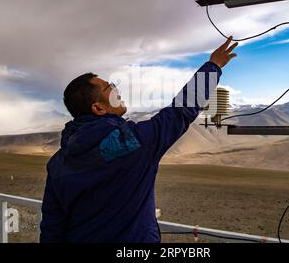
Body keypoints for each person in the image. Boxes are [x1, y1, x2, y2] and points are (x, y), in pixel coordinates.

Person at [40, 36, 238, 242]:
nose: (117, 90)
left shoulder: (57, 163)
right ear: (98, 108)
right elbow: (181, 112)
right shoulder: (134, 142)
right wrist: (213, 66)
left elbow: (53, 225)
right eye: (111, 88)